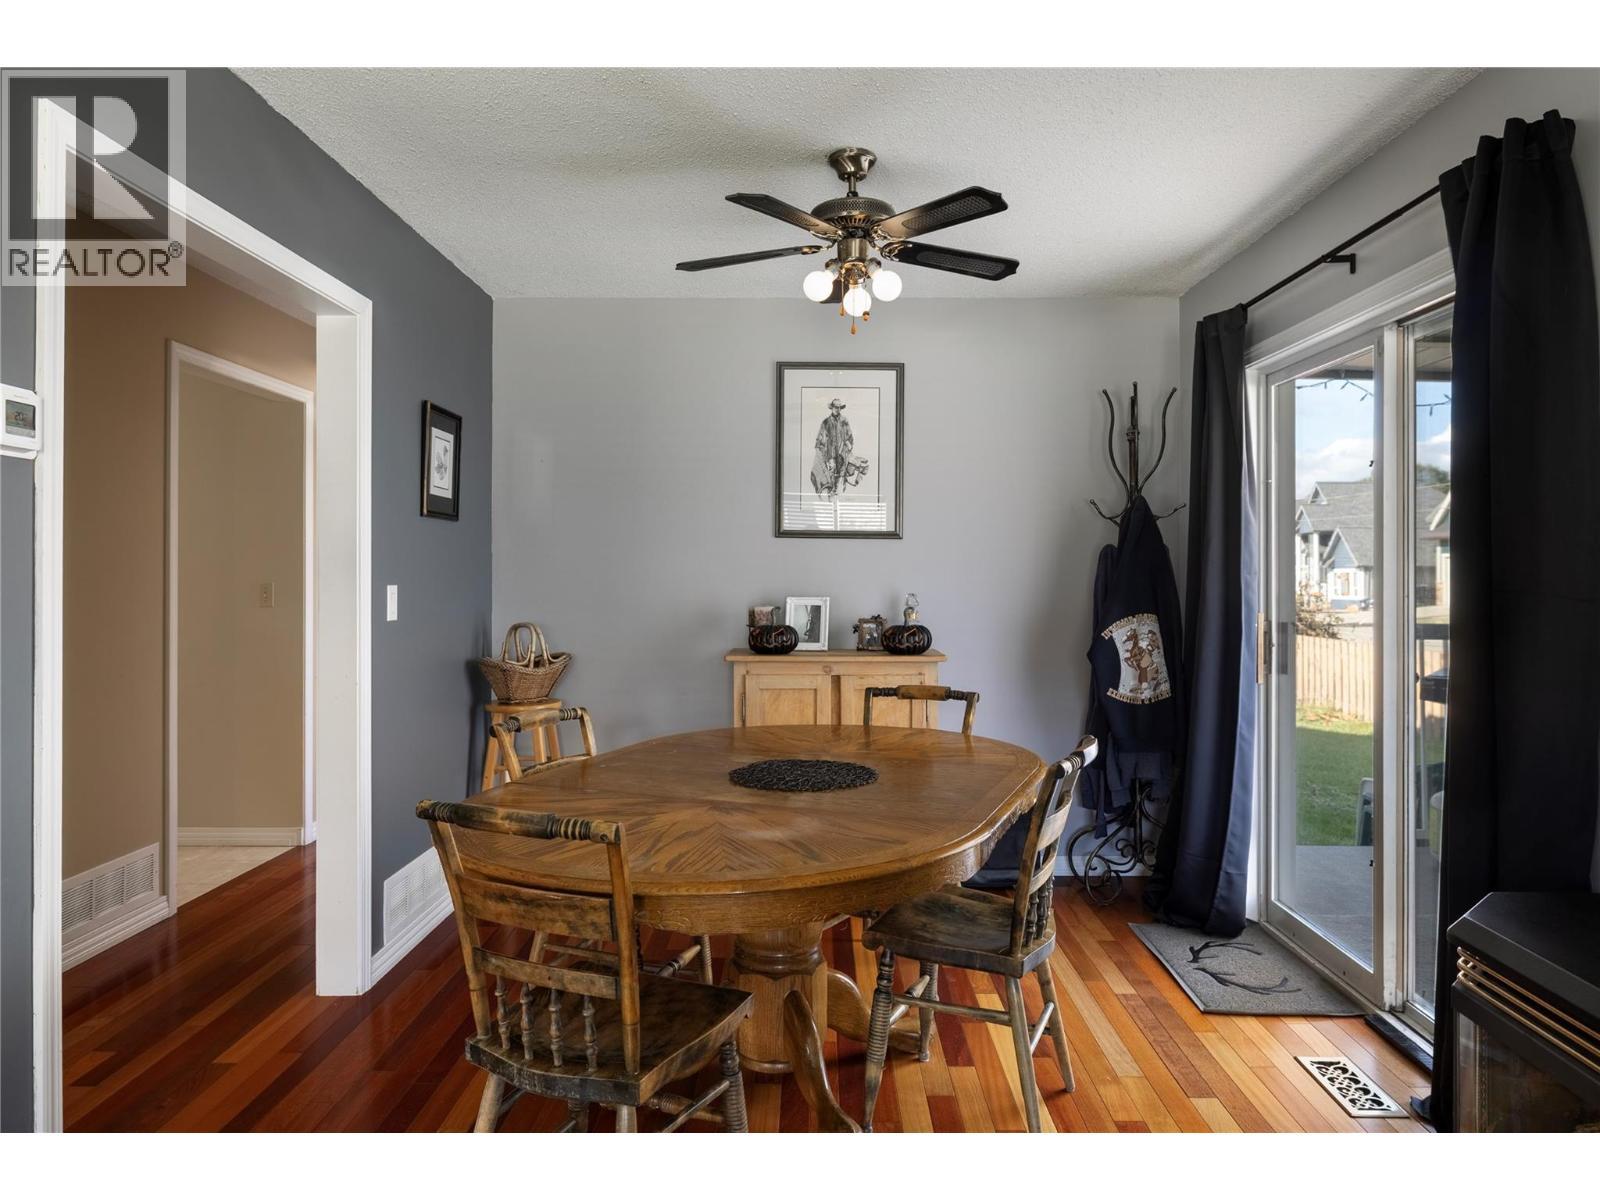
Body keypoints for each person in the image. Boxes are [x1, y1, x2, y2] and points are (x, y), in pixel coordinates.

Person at [810, 398, 854, 496]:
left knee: (841, 474)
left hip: (842, 453)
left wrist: (848, 445)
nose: (838, 409)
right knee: (831, 473)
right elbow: (820, 439)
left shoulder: (844, 421)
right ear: (832, 408)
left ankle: (839, 494)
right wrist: (823, 452)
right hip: (830, 453)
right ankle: (830, 494)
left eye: (839, 407)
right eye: (836, 407)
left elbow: (849, 436)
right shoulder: (826, 422)